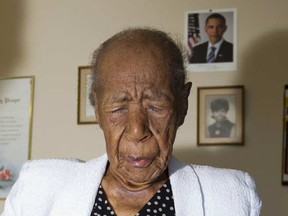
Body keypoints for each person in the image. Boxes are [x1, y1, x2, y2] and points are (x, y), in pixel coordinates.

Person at [1, 28, 261, 216]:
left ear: (183, 104)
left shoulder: (231, 198)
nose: (137, 130)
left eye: (156, 106)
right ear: (97, 109)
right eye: (118, 108)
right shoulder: (38, 189)